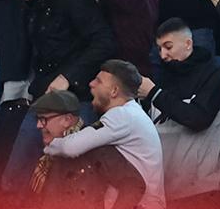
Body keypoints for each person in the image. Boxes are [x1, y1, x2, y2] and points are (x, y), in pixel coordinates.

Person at [0, 0, 116, 183]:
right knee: (16, 175)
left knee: (70, 178)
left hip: (77, 96)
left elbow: (104, 41)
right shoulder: (29, 1)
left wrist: (68, 77)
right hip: (45, 95)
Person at [40, 61, 166, 209]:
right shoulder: (132, 112)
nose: (91, 84)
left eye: (98, 81)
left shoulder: (122, 115)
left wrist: (49, 148)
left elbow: (71, 147)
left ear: (114, 91)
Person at [141, 20, 220, 209]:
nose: (163, 55)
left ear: (188, 44)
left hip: (203, 187)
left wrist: (154, 94)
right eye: (159, 49)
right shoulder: (164, 76)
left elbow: (197, 118)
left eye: (168, 47)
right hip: (164, 187)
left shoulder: (215, 75)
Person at [27, 90, 147, 209]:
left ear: (67, 119)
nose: (39, 125)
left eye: (43, 119)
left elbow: (134, 183)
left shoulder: (94, 148)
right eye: (38, 119)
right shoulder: (49, 153)